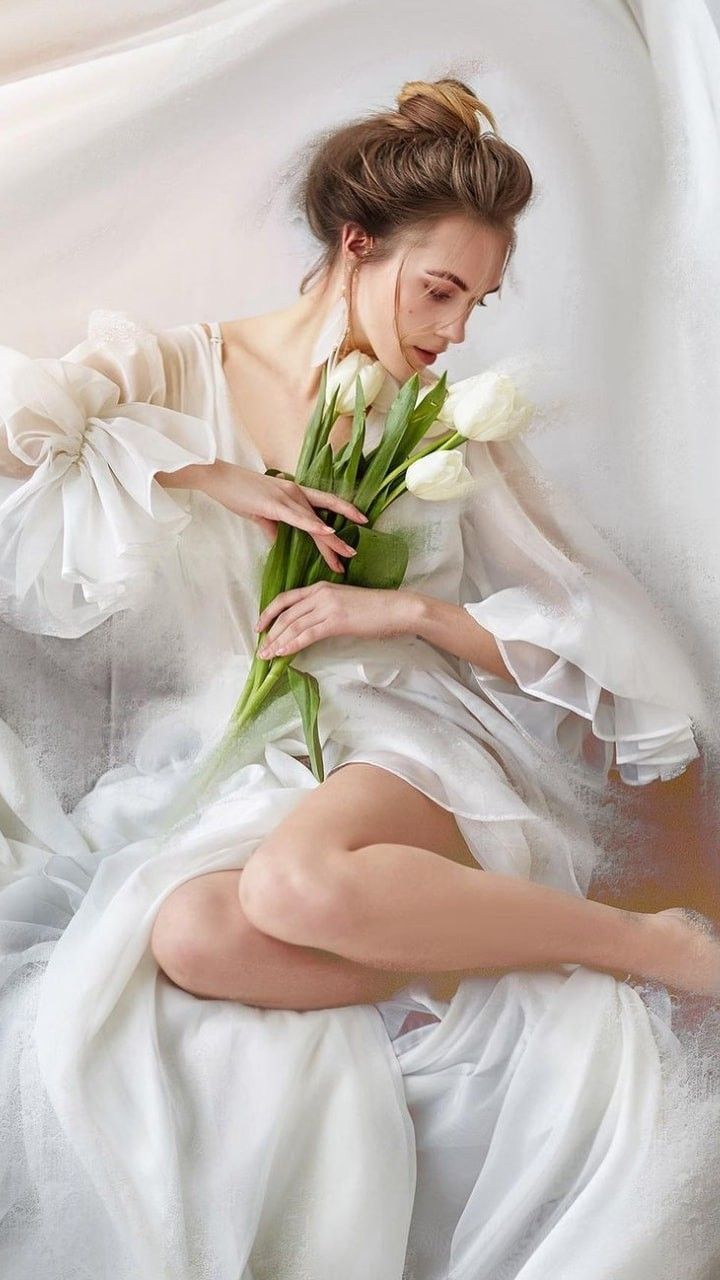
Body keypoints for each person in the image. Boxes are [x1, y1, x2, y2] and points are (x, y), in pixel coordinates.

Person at [0, 76, 717, 1280]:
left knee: (296, 878)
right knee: (188, 932)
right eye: (440, 290)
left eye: (477, 304)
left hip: (412, 734)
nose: (452, 331)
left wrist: (409, 609)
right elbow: (22, 433)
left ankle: (656, 943)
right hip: (235, 748)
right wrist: (209, 474)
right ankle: (477, 947)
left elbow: (590, 628)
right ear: (354, 242)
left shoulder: (445, 421)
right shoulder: (178, 369)